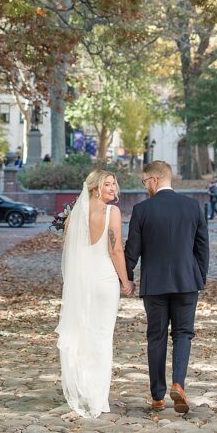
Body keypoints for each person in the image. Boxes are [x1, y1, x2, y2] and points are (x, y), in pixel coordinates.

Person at [124, 160, 209, 415]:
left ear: (154, 180)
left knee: (156, 336)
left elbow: (133, 251)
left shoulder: (142, 210)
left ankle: (158, 396)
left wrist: (125, 277)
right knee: (183, 334)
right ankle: (178, 384)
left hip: (155, 285)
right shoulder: (193, 207)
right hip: (187, 283)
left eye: (144, 182)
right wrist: (199, 278)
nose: (145, 187)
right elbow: (202, 247)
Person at [56, 169, 133, 418]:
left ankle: (84, 391)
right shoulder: (112, 212)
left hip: (81, 281)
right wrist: (126, 281)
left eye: (114, 184)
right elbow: (116, 250)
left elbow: (71, 250)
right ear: (94, 188)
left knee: (84, 334)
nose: (113, 188)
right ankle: (98, 398)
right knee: (101, 337)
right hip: (103, 281)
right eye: (107, 184)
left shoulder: (74, 216)